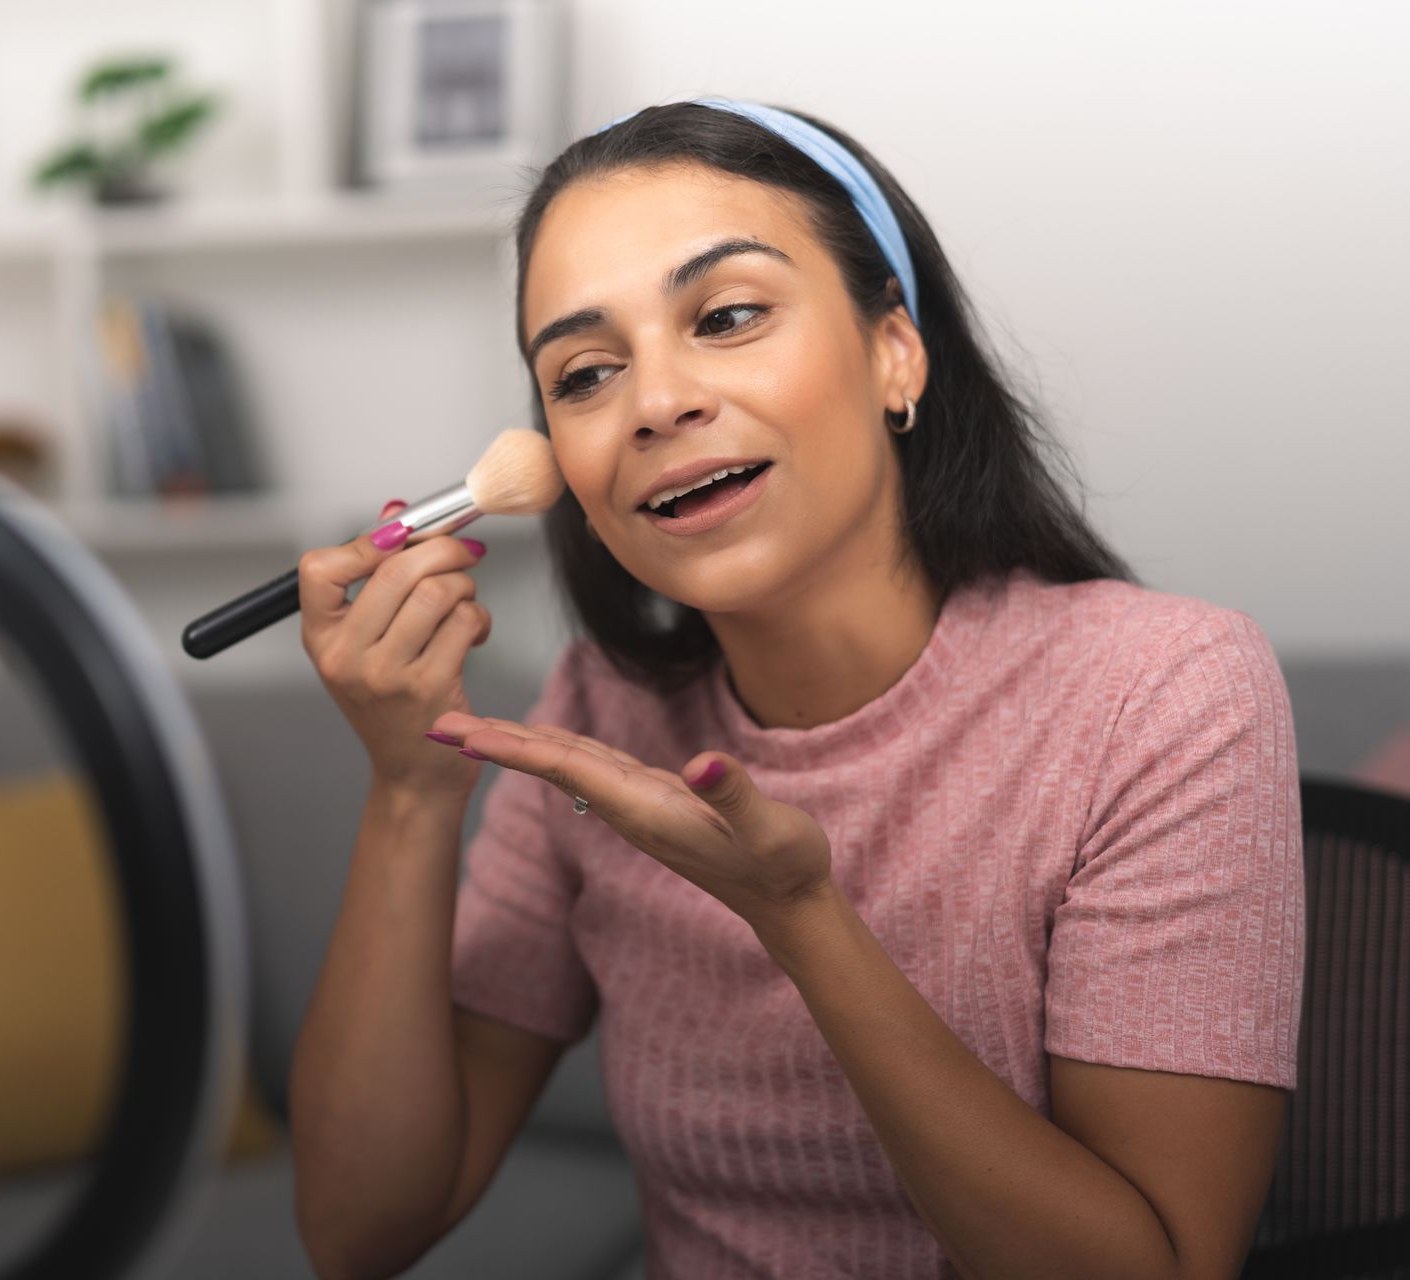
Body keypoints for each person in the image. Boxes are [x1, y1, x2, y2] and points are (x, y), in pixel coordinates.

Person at [290, 98, 1302, 1280]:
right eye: (585, 373)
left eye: (726, 316)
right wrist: (412, 789)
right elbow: (359, 1229)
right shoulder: (592, 713)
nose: (656, 403)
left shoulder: (1164, 693)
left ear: (895, 349)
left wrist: (798, 917)